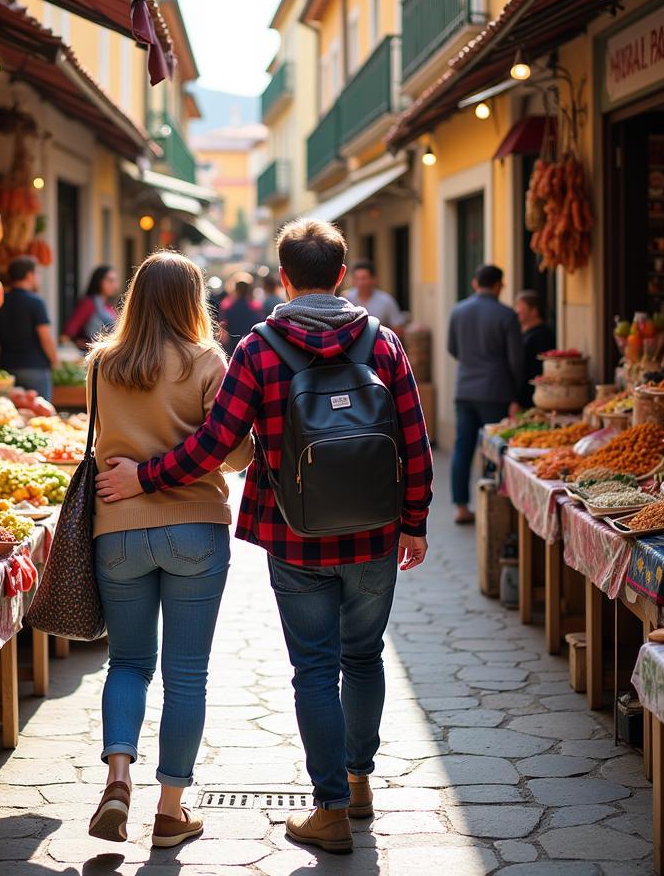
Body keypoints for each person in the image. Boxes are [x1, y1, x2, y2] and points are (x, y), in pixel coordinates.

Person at [97, 219, 433, 855]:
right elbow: (415, 442)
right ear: (341, 274)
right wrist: (414, 522)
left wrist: (144, 476)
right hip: (375, 537)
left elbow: (215, 445)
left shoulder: (258, 350)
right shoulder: (384, 345)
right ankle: (360, 781)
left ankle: (329, 808)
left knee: (314, 667)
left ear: (283, 277)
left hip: (296, 537)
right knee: (363, 657)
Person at [85, 252, 253, 849]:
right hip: (195, 529)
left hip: (118, 530)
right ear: (192, 300)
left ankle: (117, 779)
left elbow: (100, 435)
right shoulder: (210, 361)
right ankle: (170, 811)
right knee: (187, 675)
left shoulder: (104, 361)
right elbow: (237, 455)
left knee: (128, 664)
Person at [447, 264, 523, 525]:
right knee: (496, 450)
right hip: (496, 391)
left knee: (462, 448)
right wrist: (517, 394)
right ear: (499, 285)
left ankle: (460, 506)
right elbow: (516, 360)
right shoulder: (506, 315)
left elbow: (453, 348)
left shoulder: (458, 311)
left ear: (474, 283)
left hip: (465, 388)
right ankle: (497, 508)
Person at [0, 256, 58, 400]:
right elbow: (46, 338)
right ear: (29, 276)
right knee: (41, 416)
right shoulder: (36, 302)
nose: (38, 278)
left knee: (12, 416)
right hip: (35, 368)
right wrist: (55, 361)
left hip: (7, 367)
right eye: (37, 274)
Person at [514, 289, 556, 410]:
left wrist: (519, 399)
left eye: (521, 309)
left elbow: (534, 369)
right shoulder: (523, 333)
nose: (517, 312)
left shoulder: (543, 335)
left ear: (534, 311)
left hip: (533, 396)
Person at [63, 264, 119, 350]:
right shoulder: (88, 303)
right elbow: (69, 332)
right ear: (99, 281)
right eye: (110, 280)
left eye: (115, 281)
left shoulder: (108, 306)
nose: (115, 285)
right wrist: (89, 345)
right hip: (93, 356)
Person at [343, 259, 406, 333]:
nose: (360, 283)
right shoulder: (346, 299)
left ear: (373, 279)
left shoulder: (386, 301)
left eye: (364, 278)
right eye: (357, 279)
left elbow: (398, 328)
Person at [218, 273, 265, 355]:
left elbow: (223, 328)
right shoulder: (256, 307)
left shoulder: (227, 305)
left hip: (233, 347)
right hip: (251, 347)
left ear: (235, 289)